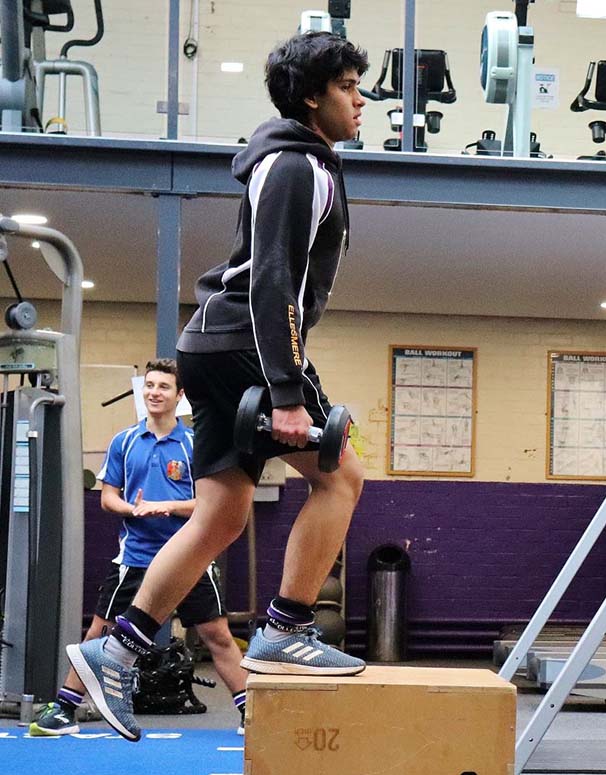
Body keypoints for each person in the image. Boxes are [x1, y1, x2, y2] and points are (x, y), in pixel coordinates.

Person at [66, 32, 369, 743]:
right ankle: (287, 628)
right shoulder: (298, 166)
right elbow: (274, 282)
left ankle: (116, 651)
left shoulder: (293, 160)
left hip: (213, 345)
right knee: (341, 478)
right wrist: (288, 392)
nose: (361, 101)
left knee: (220, 515)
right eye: (349, 87)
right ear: (310, 97)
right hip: (244, 346)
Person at [31, 360, 249, 737]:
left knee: (218, 636)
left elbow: (211, 504)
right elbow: (108, 498)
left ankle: (253, 714)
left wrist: (168, 506)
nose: (154, 393)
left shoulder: (196, 444)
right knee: (99, 633)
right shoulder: (124, 441)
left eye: (163, 387)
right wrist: (134, 508)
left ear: (179, 396)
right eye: (149, 385)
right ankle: (64, 709)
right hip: (135, 559)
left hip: (189, 556)